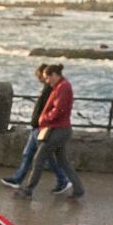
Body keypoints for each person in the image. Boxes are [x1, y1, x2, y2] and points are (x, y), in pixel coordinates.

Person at [13, 63, 85, 200]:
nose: (46, 81)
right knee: (63, 161)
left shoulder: (63, 87)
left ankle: (28, 190)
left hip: (57, 130)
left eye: (47, 78)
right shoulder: (61, 86)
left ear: (54, 75)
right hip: (61, 129)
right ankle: (78, 189)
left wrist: (44, 118)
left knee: (39, 159)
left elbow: (59, 110)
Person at [0, 64, 70, 193]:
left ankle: (62, 179)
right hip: (37, 127)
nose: (38, 78)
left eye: (40, 75)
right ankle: (18, 179)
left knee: (44, 156)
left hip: (42, 127)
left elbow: (53, 109)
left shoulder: (52, 88)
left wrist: (43, 122)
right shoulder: (49, 87)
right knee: (28, 154)